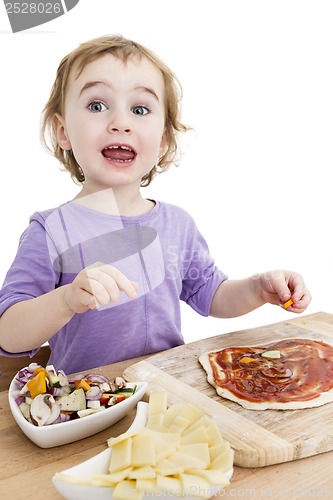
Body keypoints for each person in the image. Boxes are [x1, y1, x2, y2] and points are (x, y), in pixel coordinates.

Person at [0, 35, 311, 374]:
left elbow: (212, 295)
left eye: (140, 109)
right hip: (88, 408)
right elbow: (8, 334)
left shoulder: (178, 224)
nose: (121, 122)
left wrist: (257, 288)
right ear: (63, 131)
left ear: (162, 140)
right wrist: (66, 300)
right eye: (96, 106)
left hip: (168, 395)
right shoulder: (49, 231)